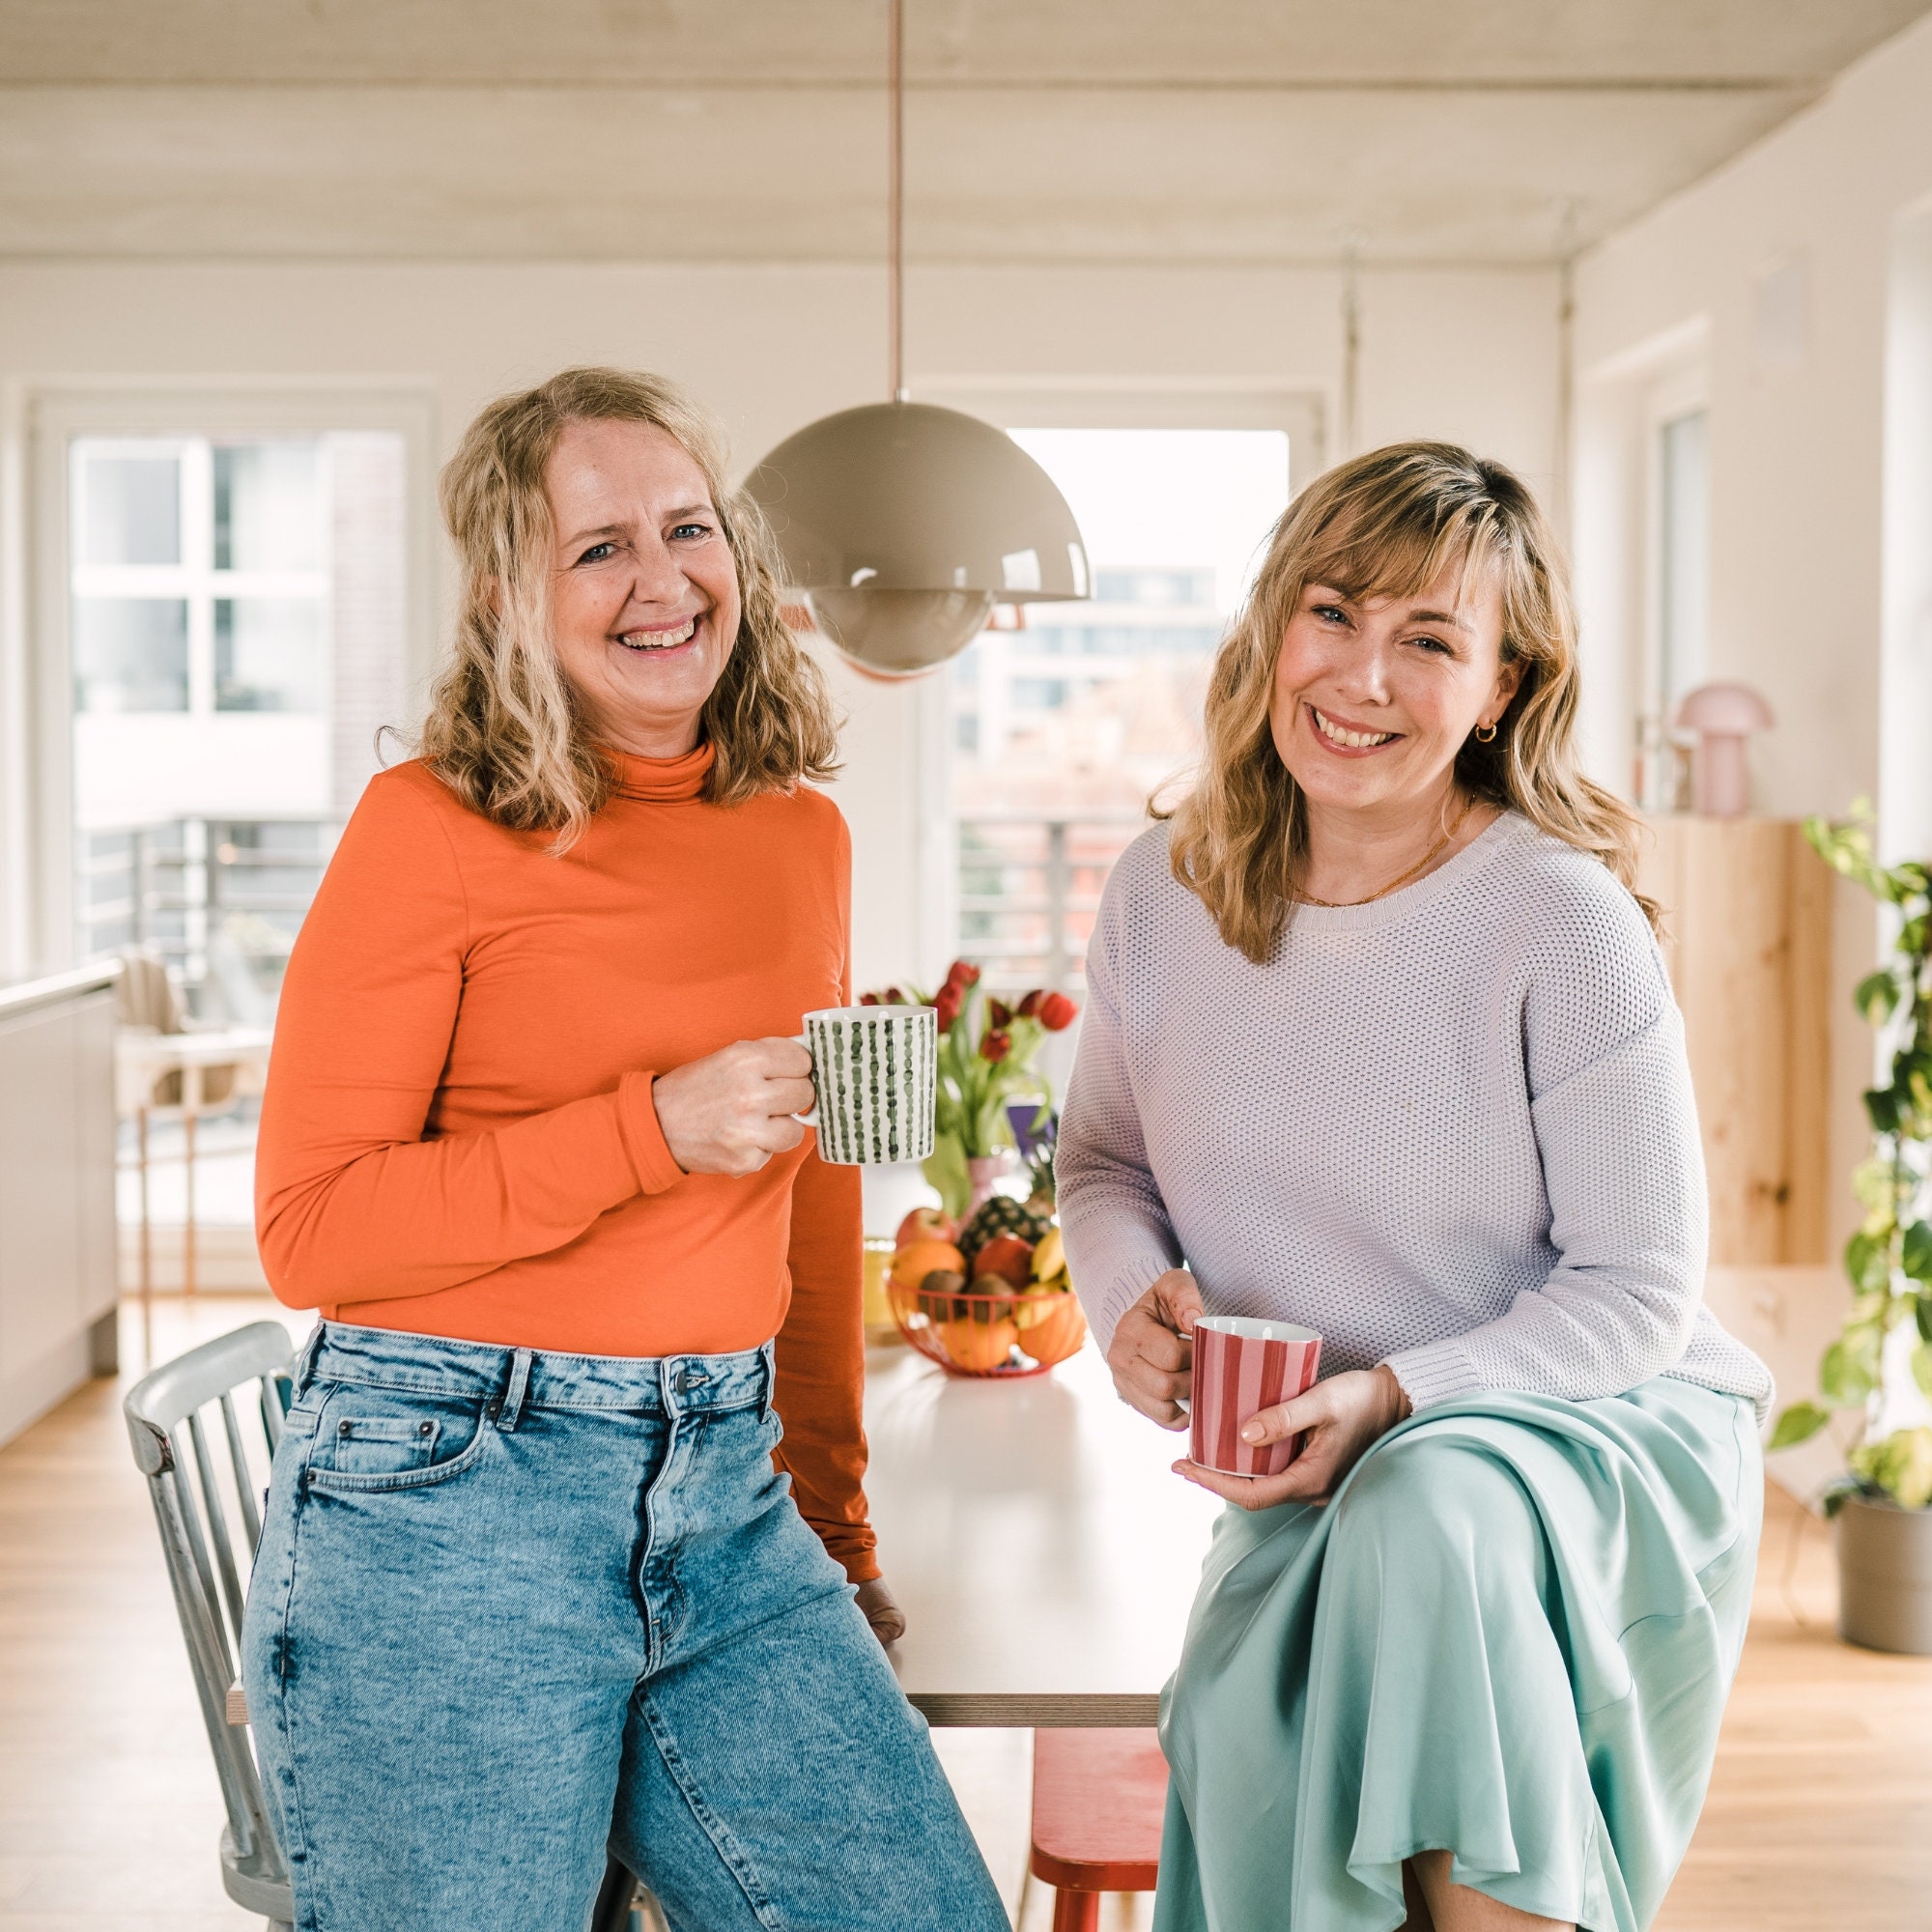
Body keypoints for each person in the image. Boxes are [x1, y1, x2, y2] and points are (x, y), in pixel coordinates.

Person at [241, 366, 1007, 1932]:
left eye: (689, 529)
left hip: (727, 1496)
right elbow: (314, 1231)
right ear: (510, 596)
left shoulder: (802, 833)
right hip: (445, 1498)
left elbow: (806, 1205)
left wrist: (838, 1520)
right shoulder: (428, 826)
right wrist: (650, 1128)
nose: (663, 581)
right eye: (598, 549)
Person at [1057, 442, 1771, 1932]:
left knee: (1426, 1513)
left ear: (1503, 686)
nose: (1363, 677)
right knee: (1388, 1543)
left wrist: (1393, 1400)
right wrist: (1126, 1301)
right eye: (1334, 615)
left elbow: (1639, 1291)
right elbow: (1106, 1167)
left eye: (1430, 640)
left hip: (1581, 1424)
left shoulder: (1558, 924)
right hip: (1313, 1444)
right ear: (1272, 630)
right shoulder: (1160, 893)